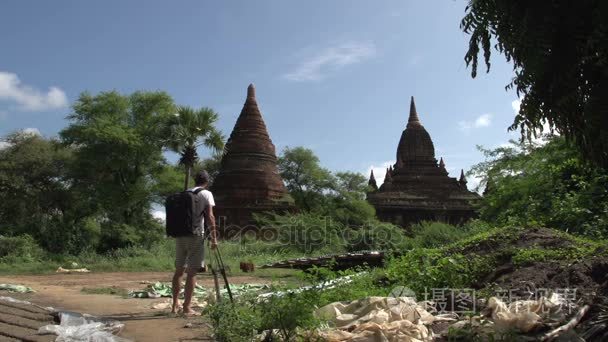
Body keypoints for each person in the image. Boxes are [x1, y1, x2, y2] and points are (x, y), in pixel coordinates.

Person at [171, 170, 218, 316]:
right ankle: (186, 308)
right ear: (207, 181)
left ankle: (174, 305)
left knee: (179, 271)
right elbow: (210, 216)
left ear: (195, 180)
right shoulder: (206, 193)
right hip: (196, 235)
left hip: (180, 234)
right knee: (192, 272)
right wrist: (214, 237)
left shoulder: (184, 193)